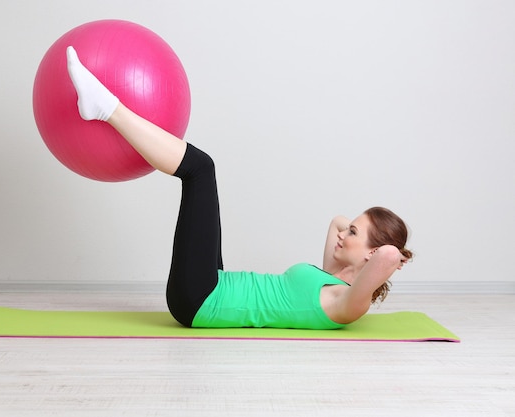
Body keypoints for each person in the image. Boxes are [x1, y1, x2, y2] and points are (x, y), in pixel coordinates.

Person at [66, 46, 413, 330]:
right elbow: (336, 221)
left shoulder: (349, 303)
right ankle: (105, 108)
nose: (343, 233)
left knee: (201, 170)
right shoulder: (332, 277)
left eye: (353, 232)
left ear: (371, 254)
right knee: (203, 174)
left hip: (204, 299)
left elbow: (385, 255)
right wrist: (354, 233)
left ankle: (106, 107)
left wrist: (394, 255)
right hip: (215, 284)